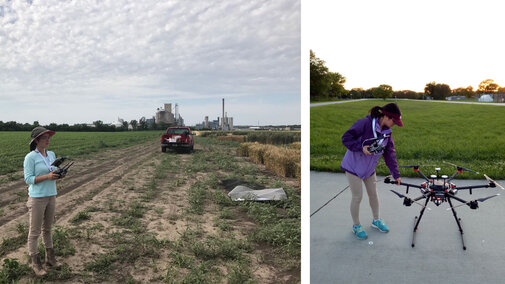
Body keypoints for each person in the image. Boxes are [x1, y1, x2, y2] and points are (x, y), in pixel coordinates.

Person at [340, 103, 403, 240]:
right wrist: (360, 147)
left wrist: (396, 174)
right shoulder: (364, 123)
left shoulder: (387, 133)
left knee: (373, 195)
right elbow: (346, 138)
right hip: (353, 168)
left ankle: (376, 220)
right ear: (386, 116)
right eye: (394, 121)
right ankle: (356, 226)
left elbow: (390, 154)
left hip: (369, 170)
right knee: (357, 197)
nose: (394, 124)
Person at [23, 126, 63, 276]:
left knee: (48, 229)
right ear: (36, 140)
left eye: (49, 137)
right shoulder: (30, 157)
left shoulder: (51, 154)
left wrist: (58, 175)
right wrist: (47, 177)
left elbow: (52, 171)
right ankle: (36, 263)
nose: (48, 139)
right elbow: (28, 179)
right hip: (37, 198)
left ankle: (50, 258)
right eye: (45, 137)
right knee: (34, 232)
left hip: (51, 195)